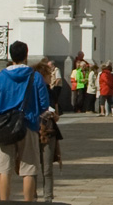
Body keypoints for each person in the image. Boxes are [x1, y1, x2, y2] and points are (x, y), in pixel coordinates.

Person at [0, 40, 51, 202]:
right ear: (26, 56)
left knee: (4, 169)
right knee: (29, 168)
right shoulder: (35, 77)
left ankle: (4, 201)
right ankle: (28, 201)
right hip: (28, 124)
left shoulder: (0, 77)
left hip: (4, 126)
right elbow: (44, 104)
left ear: (11, 55)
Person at [33, 58, 63, 204]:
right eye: (49, 74)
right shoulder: (44, 90)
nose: (51, 77)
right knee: (46, 167)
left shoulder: (43, 90)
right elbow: (48, 109)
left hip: (38, 130)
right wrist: (52, 114)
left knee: (37, 168)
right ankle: (46, 197)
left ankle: (36, 196)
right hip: (45, 130)